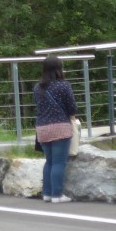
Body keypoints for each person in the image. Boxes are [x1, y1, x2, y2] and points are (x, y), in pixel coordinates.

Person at [34, 55, 78, 203]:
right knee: (59, 163)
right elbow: (72, 107)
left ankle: (47, 193)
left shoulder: (37, 87)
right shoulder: (63, 85)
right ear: (59, 69)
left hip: (42, 129)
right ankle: (57, 195)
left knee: (49, 161)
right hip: (60, 127)